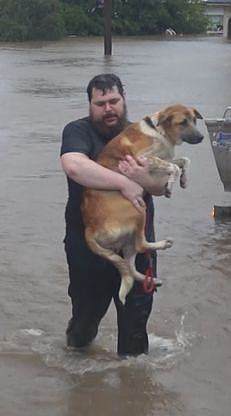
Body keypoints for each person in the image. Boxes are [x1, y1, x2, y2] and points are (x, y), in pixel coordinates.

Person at [60, 73, 169, 356]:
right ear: (90, 106)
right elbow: (74, 166)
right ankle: (79, 376)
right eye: (100, 103)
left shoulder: (141, 133)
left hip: (138, 248)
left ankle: (132, 392)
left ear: (124, 100)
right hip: (89, 249)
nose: (108, 109)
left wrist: (140, 176)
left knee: (135, 327)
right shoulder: (78, 131)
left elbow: (161, 186)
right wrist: (124, 182)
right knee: (84, 327)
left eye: (114, 101)